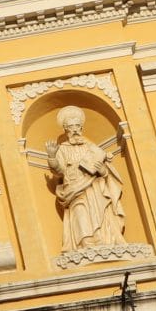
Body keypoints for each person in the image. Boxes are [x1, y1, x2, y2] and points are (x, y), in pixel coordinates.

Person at [48, 106, 128, 250]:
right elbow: (59, 171)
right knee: (80, 212)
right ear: (65, 129)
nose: (75, 129)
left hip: (95, 187)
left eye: (77, 126)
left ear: (82, 128)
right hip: (74, 189)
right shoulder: (63, 149)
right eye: (71, 126)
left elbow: (105, 170)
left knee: (101, 212)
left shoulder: (91, 147)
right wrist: (52, 157)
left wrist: (103, 171)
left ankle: (105, 241)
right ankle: (86, 245)